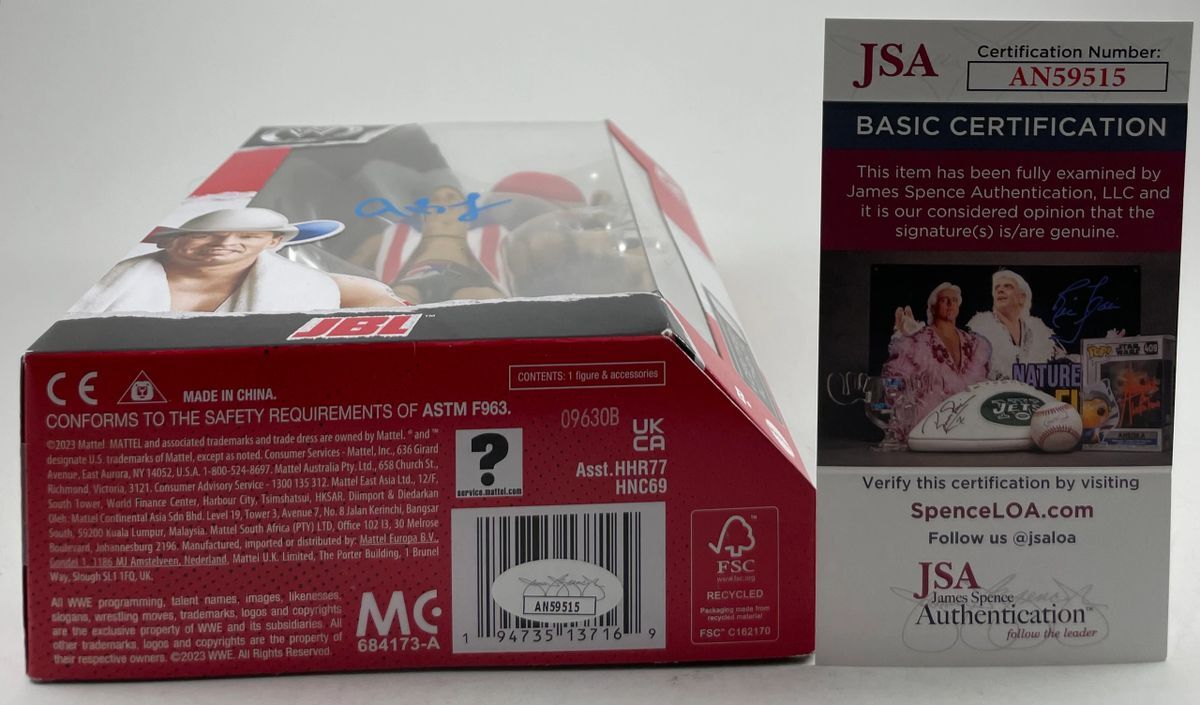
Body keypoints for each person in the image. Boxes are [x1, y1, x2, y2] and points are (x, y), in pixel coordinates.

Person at [71, 208, 401, 314]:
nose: (226, 243)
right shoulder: (97, 287)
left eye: (247, 236)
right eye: (205, 235)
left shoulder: (319, 288)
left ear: (274, 242)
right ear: (169, 241)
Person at [883, 282, 991, 435]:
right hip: (928, 427)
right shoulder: (917, 340)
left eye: (954, 300)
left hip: (967, 428)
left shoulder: (974, 343)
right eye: (944, 300)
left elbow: (985, 386)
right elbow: (894, 382)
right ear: (932, 308)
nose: (950, 304)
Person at [966, 269, 1065, 379]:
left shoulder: (1039, 331)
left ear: (1022, 297)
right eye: (996, 287)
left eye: (1008, 286)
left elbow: (1063, 361)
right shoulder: (980, 330)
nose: (1000, 290)